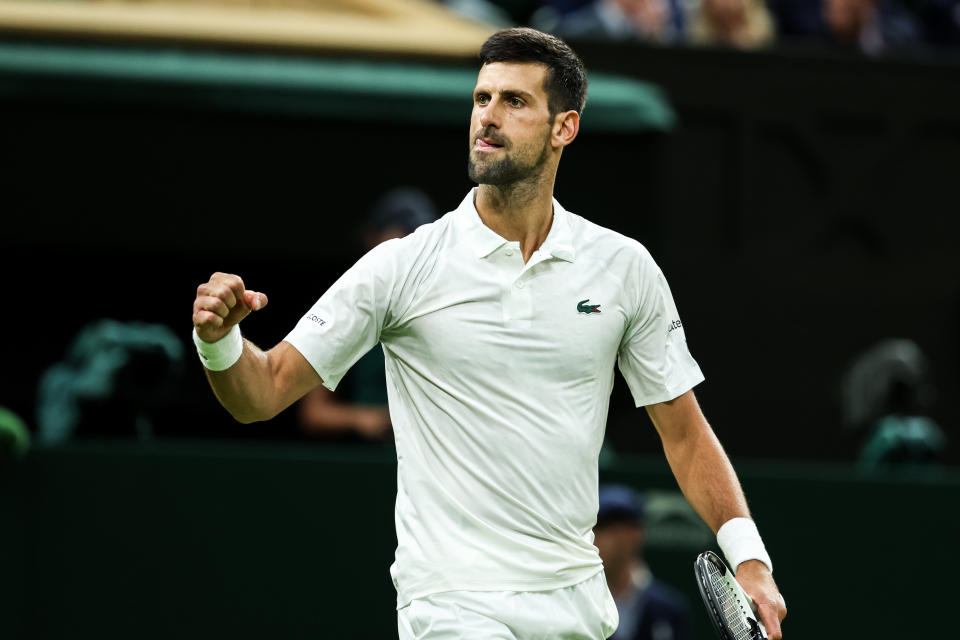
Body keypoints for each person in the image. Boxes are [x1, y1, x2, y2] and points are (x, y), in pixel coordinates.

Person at [191, 27, 787, 639]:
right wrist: (220, 342)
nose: (488, 117)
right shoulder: (402, 266)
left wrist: (751, 560)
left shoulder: (623, 268)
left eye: (515, 101)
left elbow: (685, 434)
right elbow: (261, 393)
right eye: (481, 99)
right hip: (453, 605)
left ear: (565, 127)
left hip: (576, 606)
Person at [298, 188, 437, 442]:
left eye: (421, 238)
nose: (412, 249)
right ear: (372, 239)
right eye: (403, 236)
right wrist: (364, 419)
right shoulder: (347, 307)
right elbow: (313, 411)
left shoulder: (442, 308)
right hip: (364, 461)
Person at [594, 485, 690, 640]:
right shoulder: (576, 603)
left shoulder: (669, 609)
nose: (617, 538)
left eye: (625, 527)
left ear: (638, 534)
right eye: (605, 527)